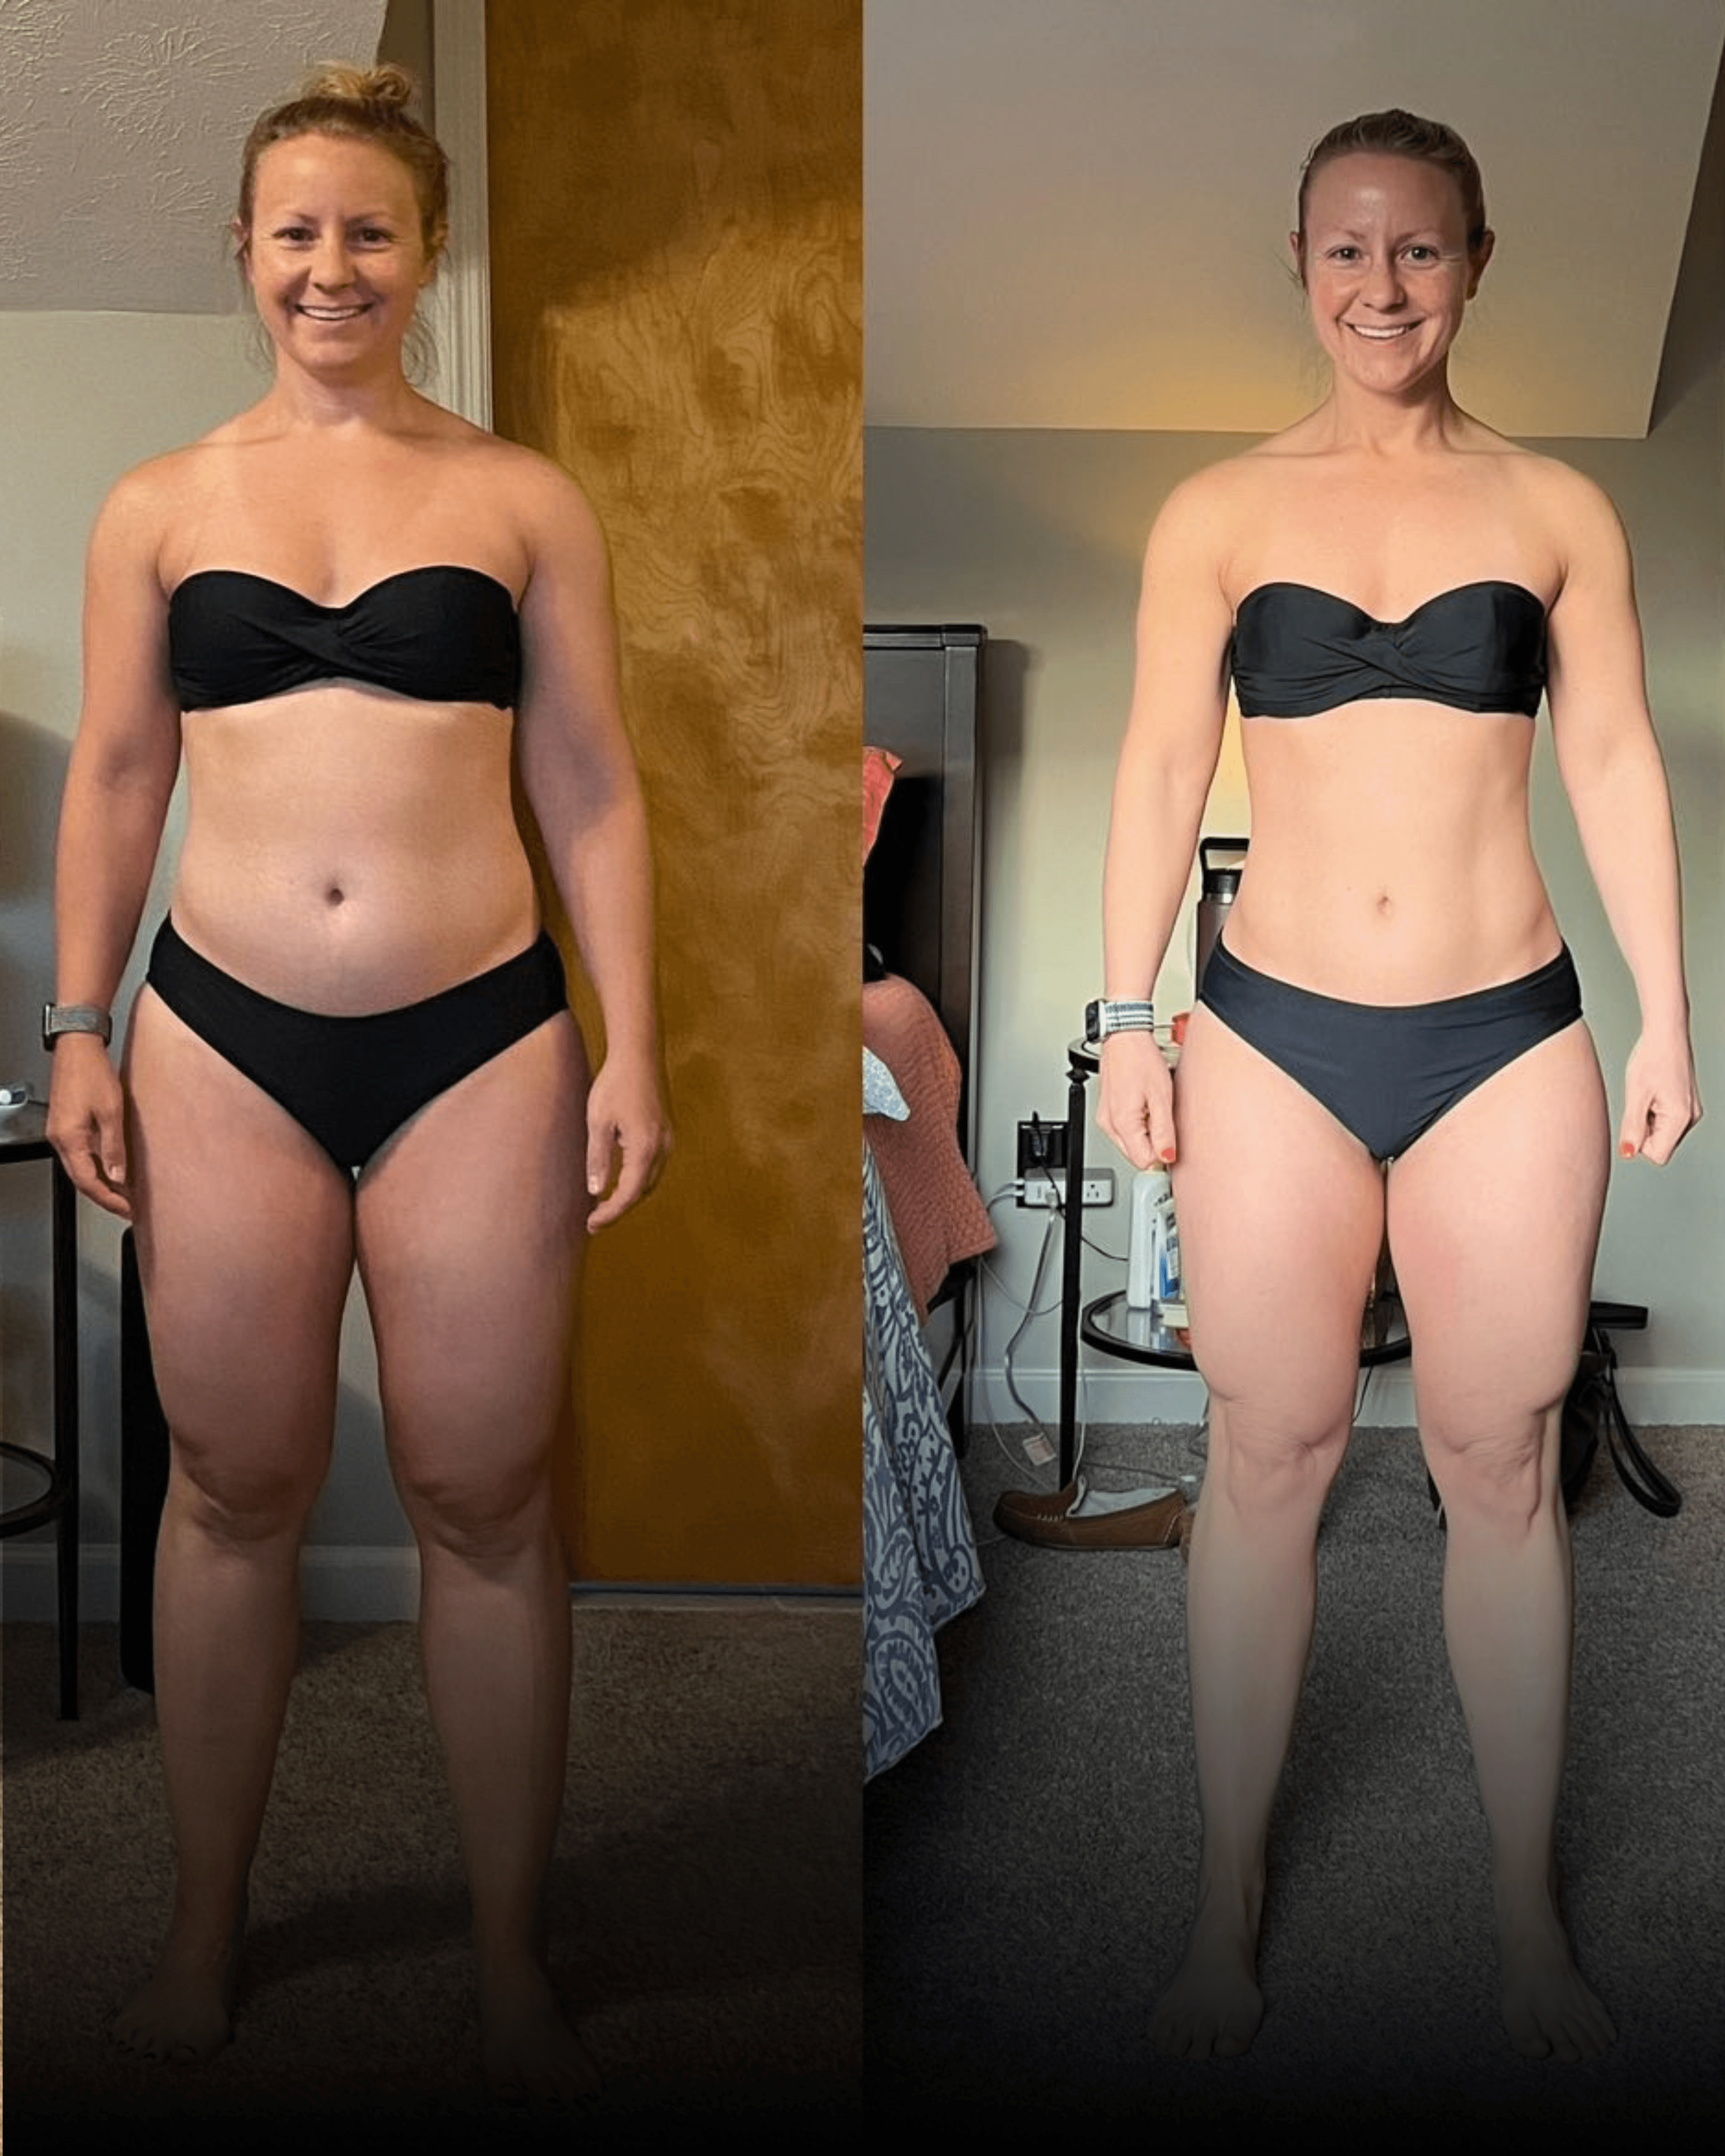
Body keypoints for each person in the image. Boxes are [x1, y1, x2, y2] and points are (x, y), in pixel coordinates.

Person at [45, 63, 669, 2102]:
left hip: (481, 1031)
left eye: (372, 231)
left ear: (427, 253)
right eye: (297, 231)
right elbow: (119, 776)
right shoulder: (157, 505)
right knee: (232, 1484)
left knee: (487, 1491)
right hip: (214, 1030)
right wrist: (75, 1026)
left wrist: (631, 1042)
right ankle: (207, 1933)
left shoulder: (518, 500)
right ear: (245, 253)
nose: (333, 264)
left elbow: (585, 776)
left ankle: (507, 1956)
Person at [1095, 109, 1699, 2067]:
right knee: (1266, 1459)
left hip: (1505, 1034)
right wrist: (1123, 1014)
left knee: (1496, 1466)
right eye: (1347, 252)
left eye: (1419, 252)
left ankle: (1524, 1922)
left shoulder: (1553, 512)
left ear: (1474, 262)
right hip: (1267, 1029)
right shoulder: (1212, 515)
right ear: (1297, 264)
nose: (1382, 286)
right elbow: (1153, 772)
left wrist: (1670, 1014)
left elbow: (1610, 760)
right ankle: (1221, 1908)